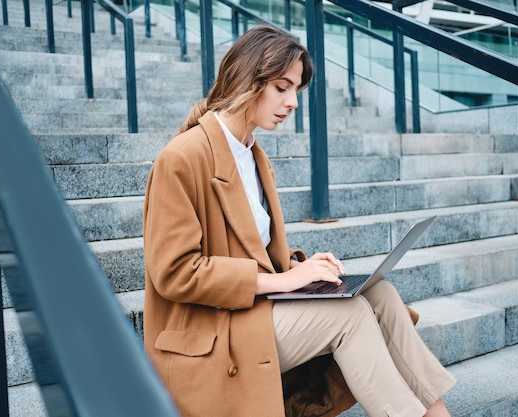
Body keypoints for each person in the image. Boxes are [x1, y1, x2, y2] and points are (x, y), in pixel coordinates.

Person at [142, 25, 456, 417]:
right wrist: (282, 280)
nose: (292, 102)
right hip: (208, 335)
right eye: (282, 87)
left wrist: (297, 266)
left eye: (296, 90)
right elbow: (176, 273)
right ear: (247, 79)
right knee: (351, 315)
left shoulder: (253, 155)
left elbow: (247, 246)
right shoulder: (182, 158)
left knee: (381, 295)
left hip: (249, 313)